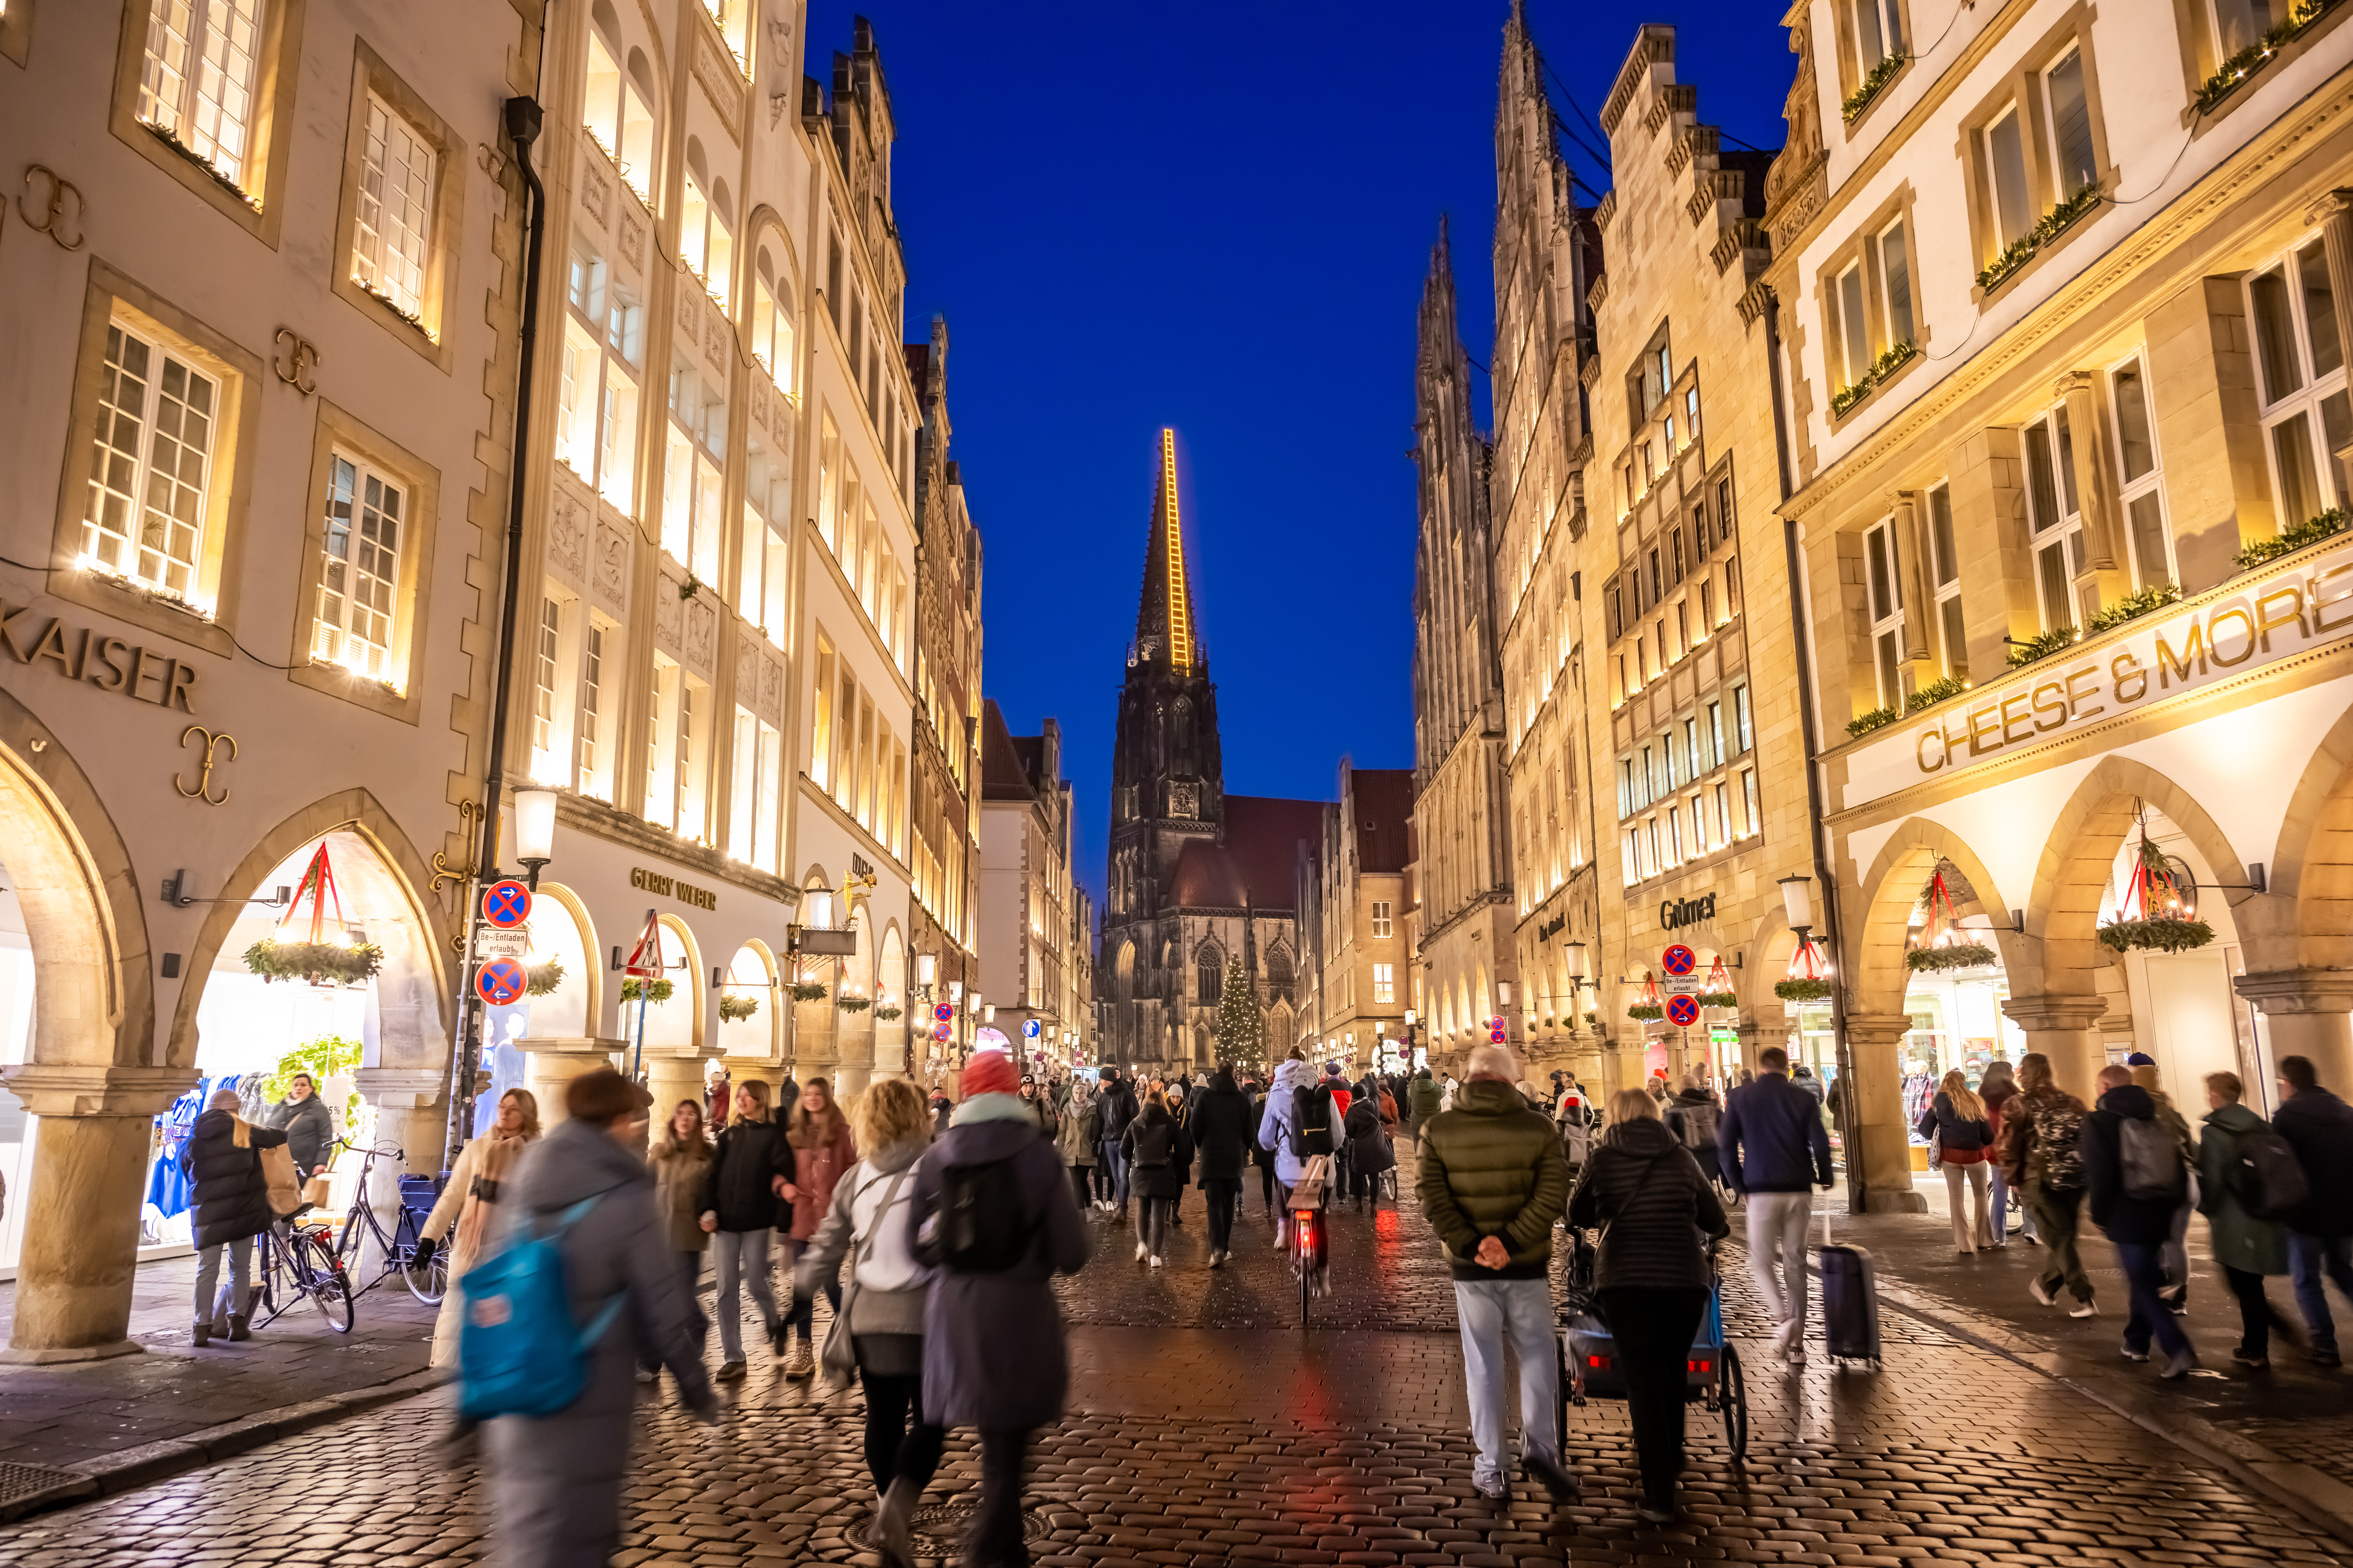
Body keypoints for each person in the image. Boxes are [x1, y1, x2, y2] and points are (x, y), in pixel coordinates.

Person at [486, 1068, 714, 1568]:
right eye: (631, 1117)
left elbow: (499, 1270)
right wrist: (694, 1384)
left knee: (527, 1520)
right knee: (579, 1525)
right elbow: (661, 1301)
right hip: (589, 1382)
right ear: (617, 1120)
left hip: (522, 1373)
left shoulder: (531, 1173)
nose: (636, 1126)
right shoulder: (628, 1193)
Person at [905, 1050, 1089, 1567]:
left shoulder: (939, 1155)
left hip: (954, 1315)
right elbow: (1073, 1254)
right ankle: (990, 1550)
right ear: (1013, 1093)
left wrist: (951, 1262)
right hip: (1020, 1316)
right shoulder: (1038, 1155)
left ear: (966, 1093)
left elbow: (912, 1246)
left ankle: (1004, 1546)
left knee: (996, 1439)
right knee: (1007, 1443)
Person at [1417, 1043, 1578, 1507]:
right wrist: (1509, 1241)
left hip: (1470, 1269)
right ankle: (1542, 1446)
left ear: (1468, 1078)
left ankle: (1492, 1467)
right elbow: (1552, 1193)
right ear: (1510, 1081)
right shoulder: (1539, 1127)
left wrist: (1473, 1244)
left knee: (1483, 1363)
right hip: (1526, 1264)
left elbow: (1432, 1196)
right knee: (1536, 1353)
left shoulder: (1438, 1128)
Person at [794, 1077, 941, 1568]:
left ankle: (885, 1504)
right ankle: (900, 1502)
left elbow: (829, 1243)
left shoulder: (856, 1177)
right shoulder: (937, 1170)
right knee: (933, 1420)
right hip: (927, 1316)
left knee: (882, 1417)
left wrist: (800, 1289)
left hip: (870, 1317)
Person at [1567, 1087, 1729, 1523]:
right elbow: (1716, 1220)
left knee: (1642, 1380)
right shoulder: (1679, 1156)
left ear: (1615, 1115)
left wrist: (1598, 1213)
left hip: (1627, 1280)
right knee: (1674, 1372)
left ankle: (1659, 1492)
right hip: (1683, 1280)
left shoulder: (1602, 1158)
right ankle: (1671, 1456)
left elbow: (1574, 1211)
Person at [1717, 1046, 1834, 1363]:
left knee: (1761, 1261)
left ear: (1761, 1067)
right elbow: (1820, 1142)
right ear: (1788, 1068)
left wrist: (1738, 1185)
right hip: (1798, 1188)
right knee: (1796, 1263)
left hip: (1761, 1188)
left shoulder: (1742, 1098)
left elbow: (1725, 1146)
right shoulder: (1803, 1098)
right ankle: (1797, 1345)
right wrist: (1825, 1176)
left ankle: (1785, 1320)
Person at [2082, 1063, 2196, 1378]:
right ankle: (2136, 1342)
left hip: (2126, 1212)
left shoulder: (2099, 1121)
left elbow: (2101, 1174)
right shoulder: (2158, 1112)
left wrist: (2100, 1215)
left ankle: (2177, 1347)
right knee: (2145, 1276)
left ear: (2104, 1087)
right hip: (2160, 1207)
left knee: (2142, 1282)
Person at [421, 1087, 542, 1365]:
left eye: (513, 1109)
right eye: (502, 1106)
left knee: (505, 1324)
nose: (505, 1112)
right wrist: (429, 1237)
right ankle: (453, 1373)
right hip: (472, 1249)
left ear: (527, 1115)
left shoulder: (538, 1153)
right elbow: (452, 1195)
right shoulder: (478, 1149)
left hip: (511, 1251)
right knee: (461, 1317)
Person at [2197, 1070, 2299, 1369]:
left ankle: (2265, 1343)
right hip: (2263, 1214)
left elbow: (2213, 1180)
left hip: (2235, 1219)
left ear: (2215, 1096)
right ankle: (2255, 1345)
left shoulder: (2214, 1132)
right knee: (2250, 1283)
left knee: (2241, 1283)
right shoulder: (2261, 1125)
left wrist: (2207, 1208)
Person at [699, 1080, 792, 1380]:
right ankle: (734, 1356)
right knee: (726, 1289)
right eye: (738, 1096)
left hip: (757, 1222)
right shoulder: (730, 1137)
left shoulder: (773, 1137)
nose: (740, 1100)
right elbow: (712, 1175)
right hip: (726, 1223)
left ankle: (774, 1321)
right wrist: (707, 1208)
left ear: (759, 1099)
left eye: (745, 1096)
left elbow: (785, 1172)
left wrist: (783, 1214)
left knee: (755, 1283)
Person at [182, 1087, 289, 1344]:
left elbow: (187, 1171)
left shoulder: (194, 1136)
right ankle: (237, 1324)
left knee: (206, 1269)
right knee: (239, 1268)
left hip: (208, 1213)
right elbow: (278, 1136)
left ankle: (201, 1327)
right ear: (236, 1110)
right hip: (243, 1210)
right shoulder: (243, 1130)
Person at [2002, 1053, 2097, 1317]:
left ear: (2024, 1074)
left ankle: (2084, 1296)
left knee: (2060, 1237)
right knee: (2064, 1234)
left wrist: (2014, 1179)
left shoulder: (2017, 1105)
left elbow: (2007, 1147)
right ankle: (2047, 1286)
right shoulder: (2072, 1103)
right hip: (2074, 1178)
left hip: (2038, 1179)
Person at [2273, 1053, 2353, 1366]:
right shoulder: (2345, 1112)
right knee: (2340, 1268)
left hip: (2305, 1213)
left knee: (2307, 1278)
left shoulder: (2286, 1118)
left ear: (2288, 1083)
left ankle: (2325, 1344)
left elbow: (2279, 1168)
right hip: (2344, 1209)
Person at [782, 1077, 860, 1377]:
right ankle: (804, 1351)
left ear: (827, 1097)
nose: (812, 1098)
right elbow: (781, 1170)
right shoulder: (795, 1134)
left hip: (831, 1223)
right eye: (808, 1094)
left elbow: (853, 1174)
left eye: (818, 1093)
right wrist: (782, 1186)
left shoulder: (842, 1134)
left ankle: (850, 1334)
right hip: (802, 1220)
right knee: (802, 1286)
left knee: (827, 1282)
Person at [647, 1096, 713, 1353]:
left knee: (683, 1295)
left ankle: (696, 1326)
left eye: (691, 1114)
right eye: (680, 1113)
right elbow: (645, 1189)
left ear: (698, 1121)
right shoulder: (660, 1153)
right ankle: (653, 1357)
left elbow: (713, 1193)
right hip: (659, 1235)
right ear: (673, 1120)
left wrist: (711, 1212)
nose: (685, 1119)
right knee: (658, 1298)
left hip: (688, 1237)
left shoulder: (707, 1156)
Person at [2131, 1061, 2197, 1310]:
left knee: (2154, 1242)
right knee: (2176, 1243)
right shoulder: (2171, 1110)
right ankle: (2179, 1298)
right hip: (2183, 1183)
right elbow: (2190, 1145)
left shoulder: (2139, 1111)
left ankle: (2160, 1291)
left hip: (2154, 1185)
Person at [1916, 1069, 1994, 1254]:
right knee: (1981, 1196)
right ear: (1964, 1083)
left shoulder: (1938, 1102)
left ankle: (1965, 1245)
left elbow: (1925, 1130)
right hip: (1974, 1156)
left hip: (1950, 1157)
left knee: (1956, 1199)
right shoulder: (1975, 1101)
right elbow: (1989, 1135)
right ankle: (1984, 1240)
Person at [1122, 1085, 1193, 1268]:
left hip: (1140, 1171)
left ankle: (1142, 1244)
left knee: (1142, 1210)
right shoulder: (1170, 1122)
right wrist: (1175, 1166)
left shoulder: (1136, 1122)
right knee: (1159, 1215)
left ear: (1145, 1104)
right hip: (1163, 1171)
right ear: (1164, 1103)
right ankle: (1156, 1256)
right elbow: (1182, 1150)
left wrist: (1134, 1160)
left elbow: (1124, 1150)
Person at [1190, 1065, 1255, 1265]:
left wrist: (1202, 1145)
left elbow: (1194, 1125)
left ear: (1216, 1073)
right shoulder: (1241, 1099)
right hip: (1233, 1157)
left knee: (1214, 1203)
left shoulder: (1206, 1097)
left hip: (1211, 1157)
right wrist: (1243, 1147)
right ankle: (1224, 1247)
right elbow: (1250, 1130)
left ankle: (1217, 1247)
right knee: (1228, 1204)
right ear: (1233, 1073)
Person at [1257, 1051, 1320, 1249]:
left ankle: (1283, 1231)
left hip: (1289, 1155)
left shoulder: (1275, 1093)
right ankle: (1323, 1271)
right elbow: (1337, 1132)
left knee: (1284, 1182)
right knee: (1319, 1204)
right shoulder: (1319, 1089)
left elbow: (1265, 1137)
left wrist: (1270, 1146)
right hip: (1318, 1160)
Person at [264, 1072, 334, 1182]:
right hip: (278, 1162)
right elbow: (268, 1130)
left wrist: (321, 1163)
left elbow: (326, 1137)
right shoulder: (281, 1106)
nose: (299, 1088)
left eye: (303, 1085)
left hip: (303, 1165)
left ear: (311, 1089)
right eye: (296, 1085)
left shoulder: (317, 1108)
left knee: (296, 1195)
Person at [1979, 1059, 2020, 1246]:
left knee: (1999, 1193)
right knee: (2026, 1188)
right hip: (2016, 1147)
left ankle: (1999, 1236)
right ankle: (2033, 1230)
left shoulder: (1983, 1096)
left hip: (1994, 1147)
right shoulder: (2014, 1096)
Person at [1095, 1067, 1141, 1223]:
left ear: (1109, 1080)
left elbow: (1135, 1116)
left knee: (1122, 1175)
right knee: (1115, 1177)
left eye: (1102, 1079)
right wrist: (1096, 1139)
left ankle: (1122, 1208)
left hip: (1123, 1140)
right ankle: (1120, 1207)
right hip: (1108, 1141)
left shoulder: (1126, 1094)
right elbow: (1099, 1119)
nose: (1100, 1082)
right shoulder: (1103, 1098)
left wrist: (1132, 1137)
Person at [1344, 1076, 1396, 1209]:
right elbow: (1374, 1090)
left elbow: (1349, 1131)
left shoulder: (1352, 1111)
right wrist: (1368, 1077)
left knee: (1359, 1174)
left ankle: (1360, 1202)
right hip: (1377, 1145)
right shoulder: (1374, 1103)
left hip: (1361, 1147)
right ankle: (1373, 1203)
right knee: (1374, 1175)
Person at [1663, 1075, 1722, 1189]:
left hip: (1686, 1166)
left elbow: (1668, 1142)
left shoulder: (1675, 1112)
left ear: (1681, 1089)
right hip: (1711, 1164)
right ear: (1697, 1087)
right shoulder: (1713, 1109)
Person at [1055, 1075, 1101, 1212]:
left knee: (1080, 1180)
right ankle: (1083, 1209)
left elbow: (1096, 1131)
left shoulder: (1093, 1109)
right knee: (1077, 1182)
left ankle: (1083, 1209)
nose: (1079, 1095)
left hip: (1087, 1150)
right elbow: (1062, 1131)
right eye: (1076, 1093)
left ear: (1086, 1094)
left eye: (1082, 1093)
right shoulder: (1068, 1110)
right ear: (1072, 1094)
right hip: (1070, 1150)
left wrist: (1095, 1146)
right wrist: (1060, 1148)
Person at [1408, 1067, 1442, 1134]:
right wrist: (1431, 1080)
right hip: (1434, 1123)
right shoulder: (1438, 1090)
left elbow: (1409, 1087)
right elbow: (1442, 1090)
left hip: (1417, 1124)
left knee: (1418, 1143)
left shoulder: (1413, 1090)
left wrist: (1414, 1078)